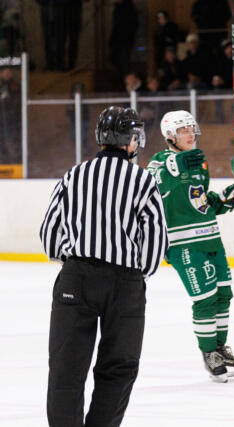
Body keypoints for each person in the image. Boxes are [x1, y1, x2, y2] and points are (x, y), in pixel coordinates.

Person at [40, 106, 167, 426]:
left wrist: (74, 261)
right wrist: (138, 273)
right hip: (125, 283)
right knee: (119, 367)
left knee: (66, 367)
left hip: (76, 278)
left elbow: (50, 234)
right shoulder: (143, 179)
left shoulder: (73, 175)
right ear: (131, 139)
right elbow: (155, 238)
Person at [147, 111, 234, 382]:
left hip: (211, 238)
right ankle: (209, 353)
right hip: (183, 244)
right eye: (183, 130)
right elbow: (156, 183)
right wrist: (177, 163)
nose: (190, 134)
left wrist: (226, 199)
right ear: (170, 135)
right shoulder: (159, 162)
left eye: (191, 128)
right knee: (204, 299)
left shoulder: (198, 162)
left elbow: (201, 201)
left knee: (224, 295)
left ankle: (220, 349)